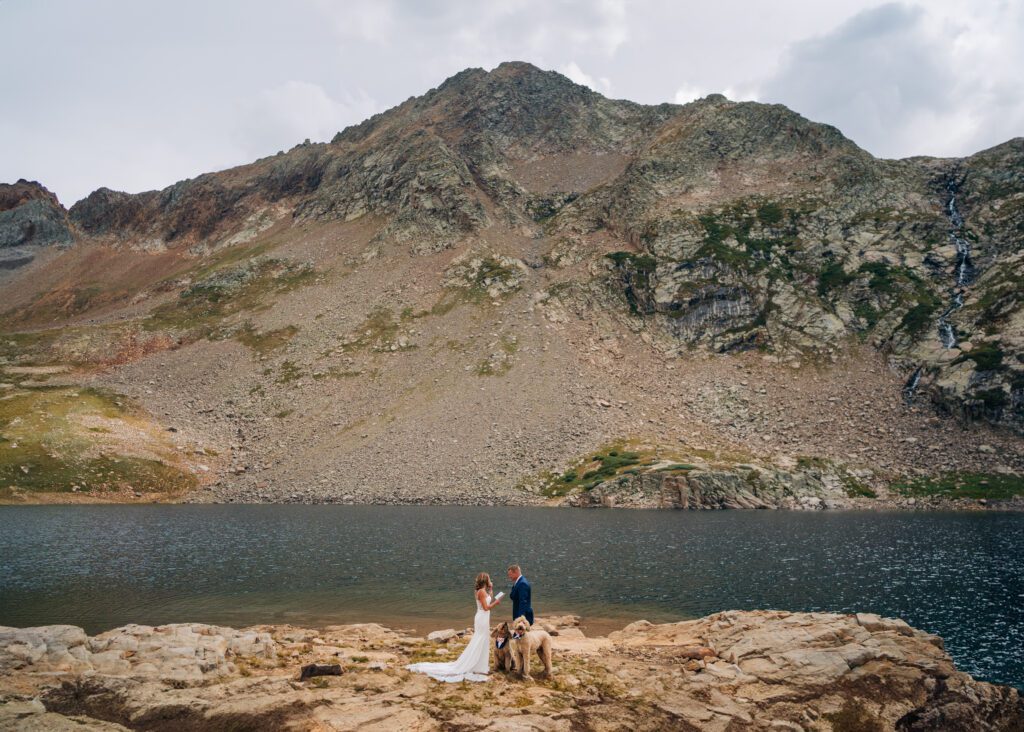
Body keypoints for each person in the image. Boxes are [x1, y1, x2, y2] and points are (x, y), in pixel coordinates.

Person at [406, 572, 502, 682]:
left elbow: (489, 598)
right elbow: (486, 607)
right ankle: (475, 665)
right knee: (480, 639)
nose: (490, 580)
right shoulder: (481, 592)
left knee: (484, 639)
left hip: (484, 618)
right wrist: (496, 602)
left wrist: (491, 589)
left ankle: (480, 666)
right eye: (489, 579)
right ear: (486, 580)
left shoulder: (482, 591)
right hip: (482, 617)